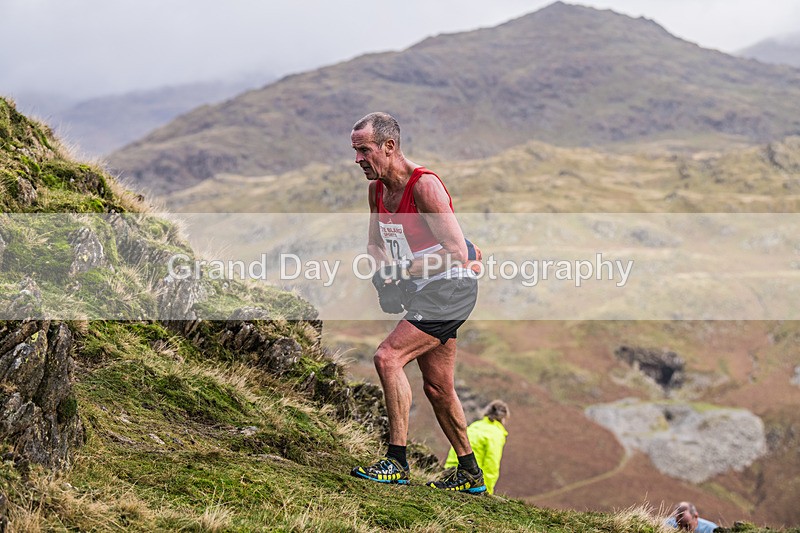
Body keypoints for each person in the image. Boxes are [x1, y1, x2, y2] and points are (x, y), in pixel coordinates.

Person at [349, 112, 485, 494]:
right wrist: (384, 275)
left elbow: (457, 251)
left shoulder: (425, 187)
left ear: (389, 147)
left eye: (364, 150)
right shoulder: (377, 189)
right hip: (423, 290)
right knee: (438, 387)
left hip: (451, 289)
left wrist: (402, 271)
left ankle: (396, 463)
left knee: (387, 357)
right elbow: (375, 243)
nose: (358, 159)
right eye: (355, 151)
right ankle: (471, 475)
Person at [444, 400, 509, 494]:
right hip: (470, 480)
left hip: (450, 474)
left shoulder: (474, 426)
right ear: (504, 418)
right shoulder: (496, 434)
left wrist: (447, 471)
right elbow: (491, 465)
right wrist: (487, 490)